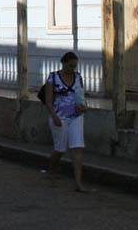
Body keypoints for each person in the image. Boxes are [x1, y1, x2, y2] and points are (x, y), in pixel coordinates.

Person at [42, 51, 88, 192]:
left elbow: (81, 96)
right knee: (60, 149)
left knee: (77, 148)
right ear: (63, 63)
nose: (72, 69)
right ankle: (52, 171)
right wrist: (54, 116)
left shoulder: (78, 77)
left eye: (74, 66)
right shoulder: (53, 78)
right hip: (59, 117)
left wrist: (83, 107)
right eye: (69, 66)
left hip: (76, 116)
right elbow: (48, 100)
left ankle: (78, 182)